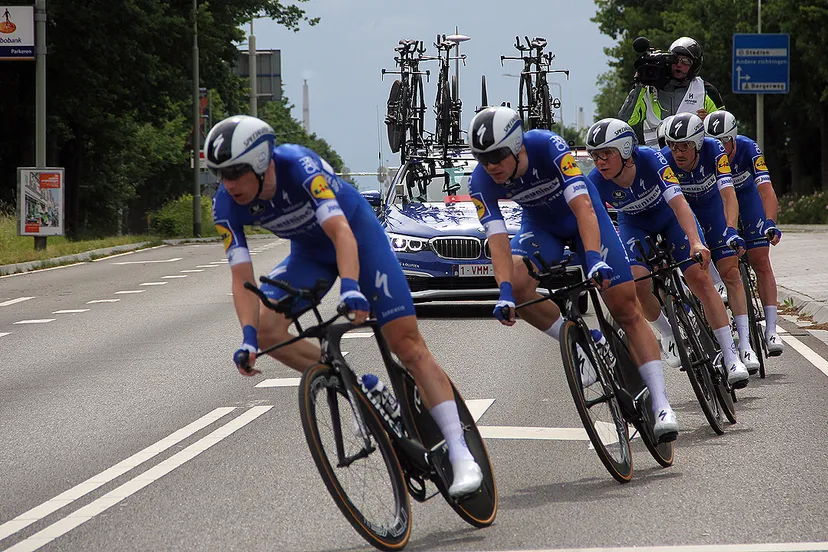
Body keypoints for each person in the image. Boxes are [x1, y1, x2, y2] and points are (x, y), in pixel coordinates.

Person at [205, 114, 483, 496]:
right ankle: (357, 386)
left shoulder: (299, 165)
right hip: (310, 255)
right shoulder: (225, 204)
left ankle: (460, 452)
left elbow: (341, 232)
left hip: (358, 239)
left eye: (235, 172)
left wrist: (351, 288)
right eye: (219, 174)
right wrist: (249, 338)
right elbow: (242, 278)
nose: (228, 184)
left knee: (408, 346)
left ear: (260, 161)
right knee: (270, 331)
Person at [468, 106, 678, 442]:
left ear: (518, 145)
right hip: (542, 229)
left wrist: (594, 258)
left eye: (497, 155)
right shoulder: (480, 181)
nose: (491, 165)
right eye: (483, 158)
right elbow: (497, 242)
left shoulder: (547, 147)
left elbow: (582, 208)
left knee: (625, 307)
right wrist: (504, 291)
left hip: (585, 221)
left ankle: (662, 405)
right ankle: (581, 345)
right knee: (520, 288)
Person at [585, 118, 747, 385]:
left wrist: (696, 242)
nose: (600, 161)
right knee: (638, 282)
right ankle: (668, 333)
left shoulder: (651, 160)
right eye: (595, 155)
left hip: (669, 217)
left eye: (606, 154)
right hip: (634, 225)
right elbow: (593, 225)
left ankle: (731, 357)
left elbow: (680, 203)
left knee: (700, 278)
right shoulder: (596, 181)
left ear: (625, 150)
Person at [661, 112, 755, 381]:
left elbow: (728, 195)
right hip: (686, 214)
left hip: (713, 209)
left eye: (685, 146)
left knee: (731, 272)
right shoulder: (665, 160)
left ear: (698, 144)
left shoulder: (714, 150)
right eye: (673, 145)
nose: (678, 152)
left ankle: (745, 346)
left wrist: (730, 231)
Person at [704, 110, 784, 356]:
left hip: (748, 201)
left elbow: (766, 190)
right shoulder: (706, 153)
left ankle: (771, 329)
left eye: (724, 142)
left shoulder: (748, 148)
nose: (720, 147)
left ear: (734, 138)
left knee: (760, 259)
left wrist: (770, 222)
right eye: (713, 142)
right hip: (720, 205)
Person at [619, 37, 725, 147]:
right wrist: (639, 86)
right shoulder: (649, 89)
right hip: (657, 158)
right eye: (675, 59)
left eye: (685, 61)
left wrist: (707, 124)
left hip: (692, 158)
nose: (679, 65)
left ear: (695, 65)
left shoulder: (706, 91)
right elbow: (626, 120)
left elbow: (723, 129)